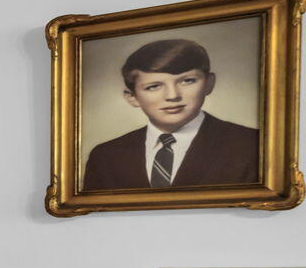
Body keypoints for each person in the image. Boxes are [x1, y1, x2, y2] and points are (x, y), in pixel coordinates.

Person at [82, 37, 260, 191]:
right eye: (154, 86)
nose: (173, 96)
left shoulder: (252, 145)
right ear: (132, 97)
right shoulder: (106, 156)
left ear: (209, 83)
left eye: (187, 81)